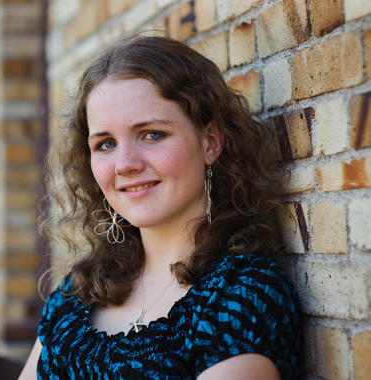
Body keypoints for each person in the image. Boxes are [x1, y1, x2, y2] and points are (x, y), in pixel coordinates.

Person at [19, 36, 302, 380]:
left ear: (210, 142)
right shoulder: (76, 295)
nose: (124, 164)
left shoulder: (243, 295)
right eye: (105, 143)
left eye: (151, 134)